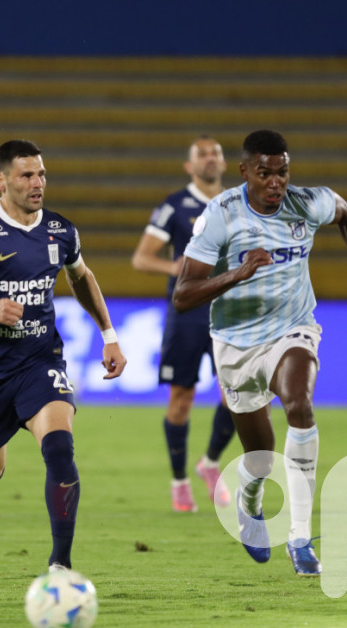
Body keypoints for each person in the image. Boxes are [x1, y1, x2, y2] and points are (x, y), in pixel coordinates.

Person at [172, 130, 347, 577]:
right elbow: (183, 295)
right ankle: (249, 500)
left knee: (299, 403)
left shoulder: (306, 203)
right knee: (260, 455)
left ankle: (298, 536)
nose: (276, 182)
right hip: (235, 343)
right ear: (245, 172)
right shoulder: (221, 214)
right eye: (265, 173)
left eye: (283, 172)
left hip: (293, 328)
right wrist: (239, 272)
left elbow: (345, 213)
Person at [0, 140, 127, 572]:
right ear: (1, 181)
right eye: (26, 175)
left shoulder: (61, 231)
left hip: (40, 361)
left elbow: (82, 277)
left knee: (59, 449)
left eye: (42, 174)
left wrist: (108, 333)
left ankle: (61, 565)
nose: (38, 184)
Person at [131, 136, 234, 512]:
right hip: (188, 313)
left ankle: (209, 462)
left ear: (224, 163)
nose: (210, 159)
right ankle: (179, 483)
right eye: (202, 155)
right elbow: (142, 258)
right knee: (181, 399)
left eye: (216, 153)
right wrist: (173, 267)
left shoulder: (237, 203)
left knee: (238, 398)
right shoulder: (175, 206)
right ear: (189, 167)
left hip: (229, 311)